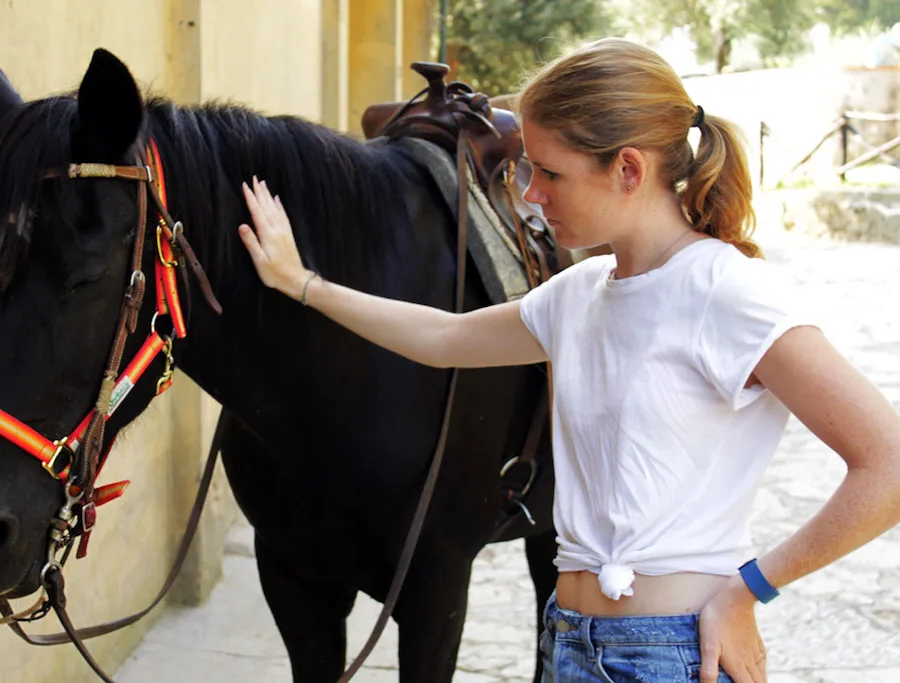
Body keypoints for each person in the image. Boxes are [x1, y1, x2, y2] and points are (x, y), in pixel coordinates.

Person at [236, 37, 900, 683]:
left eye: (549, 172)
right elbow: (443, 338)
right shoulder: (578, 294)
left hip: (674, 653)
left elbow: (888, 463)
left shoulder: (724, 293)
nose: (530, 193)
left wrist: (751, 588)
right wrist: (303, 283)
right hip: (572, 643)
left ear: (629, 170)